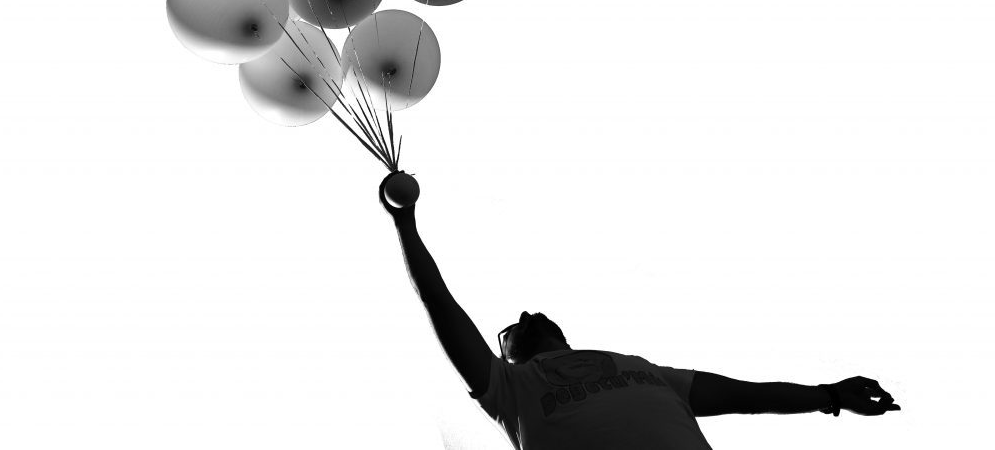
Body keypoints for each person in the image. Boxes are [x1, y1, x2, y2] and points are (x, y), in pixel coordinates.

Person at [379, 173, 899, 450]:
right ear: (504, 357)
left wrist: (828, 395)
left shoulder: (640, 368)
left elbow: (745, 394)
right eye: (509, 327)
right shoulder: (507, 390)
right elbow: (439, 302)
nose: (525, 312)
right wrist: (406, 225)